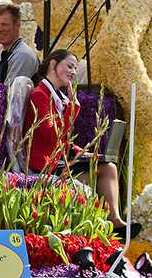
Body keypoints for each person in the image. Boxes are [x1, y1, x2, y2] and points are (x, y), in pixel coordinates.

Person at [22, 49, 126, 229]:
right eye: (69, 66)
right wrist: (73, 108)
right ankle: (103, 225)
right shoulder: (40, 94)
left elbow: (62, 141)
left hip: (57, 162)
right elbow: (51, 134)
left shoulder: (55, 96)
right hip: (45, 167)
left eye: (75, 68)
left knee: (108, 167)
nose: (72, 72)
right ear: (53, 65)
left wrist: (84, 153)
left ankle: (115, 220)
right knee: (99, 175)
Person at [0, 3, 39, 87]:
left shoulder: (22, 55)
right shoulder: (10, 53)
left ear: (17, 25)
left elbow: (10, 95)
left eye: (4, 24)